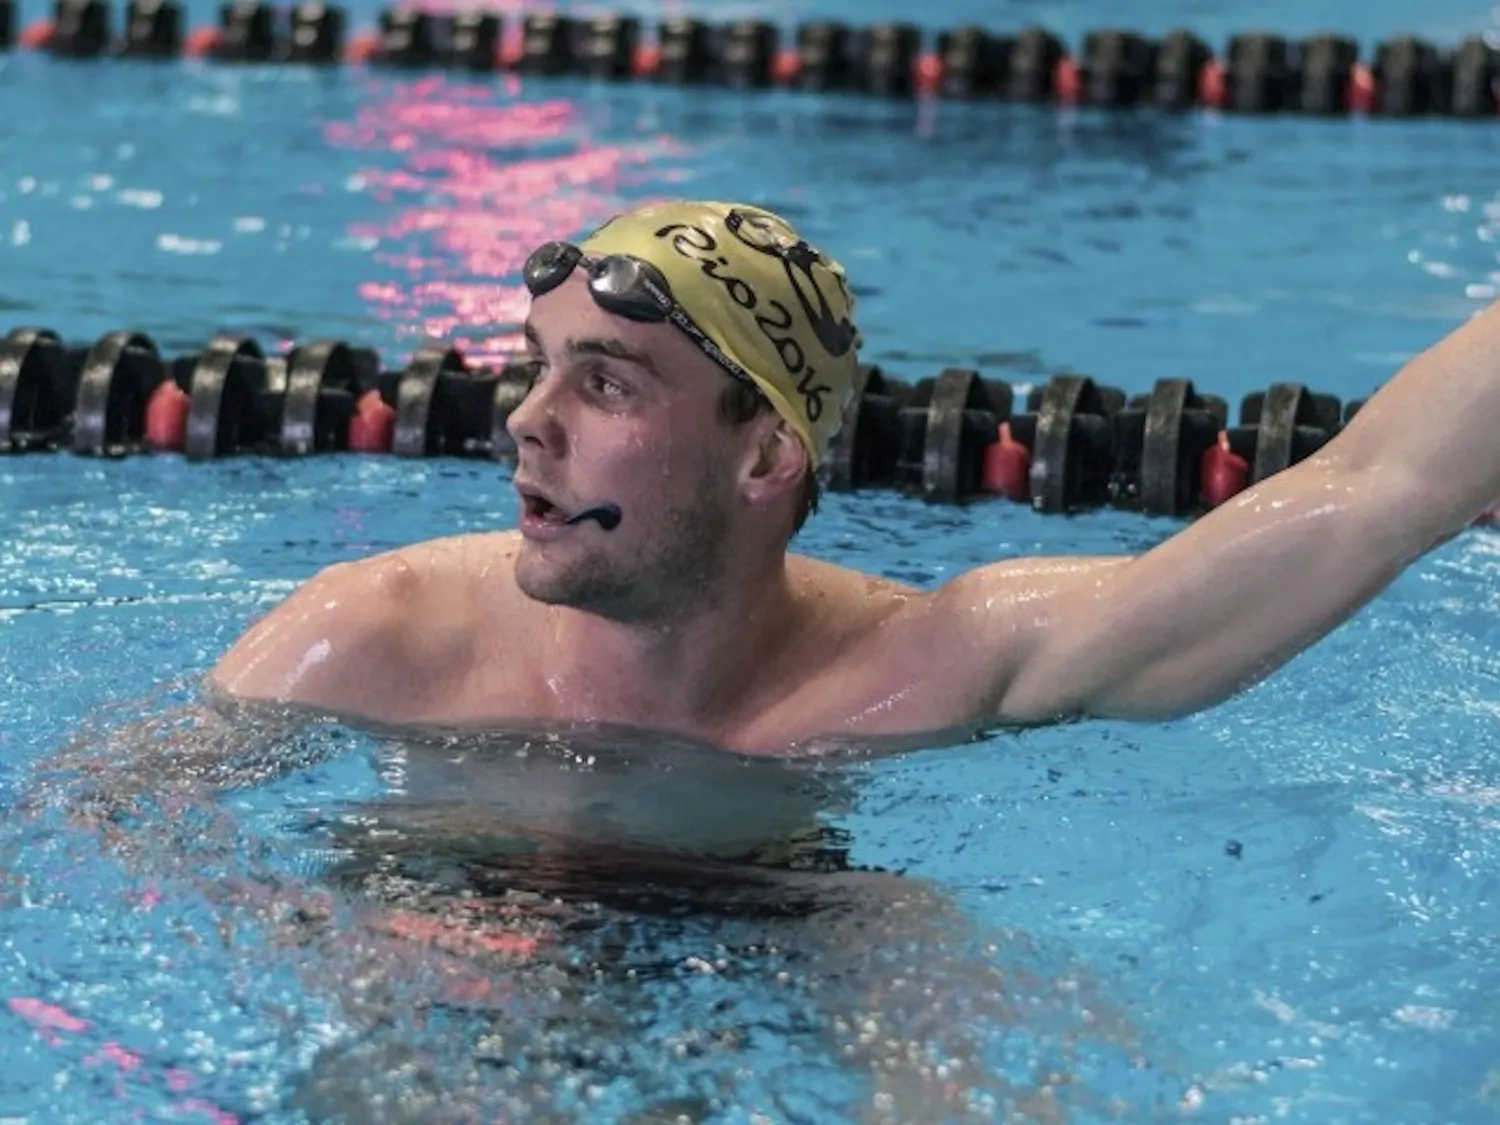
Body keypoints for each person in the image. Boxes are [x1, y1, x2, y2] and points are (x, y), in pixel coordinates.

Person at [207, 197, 1499, 755]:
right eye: (537, 371)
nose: (526, 428)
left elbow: (1379, 489)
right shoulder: (376, 641)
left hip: (789, 933)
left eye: (605, 384)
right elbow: (102, 835)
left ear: (766, 453)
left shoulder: (928, 667)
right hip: (440, 940)